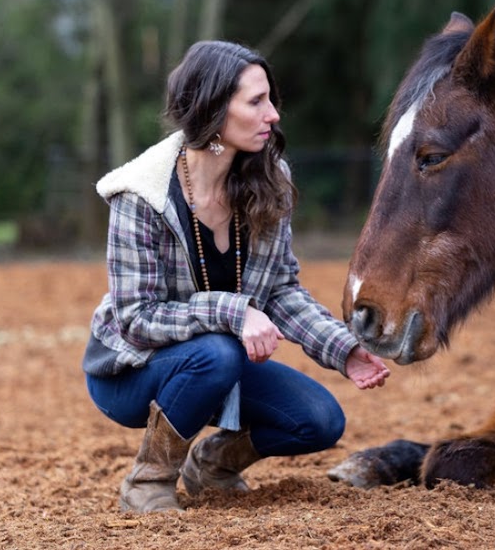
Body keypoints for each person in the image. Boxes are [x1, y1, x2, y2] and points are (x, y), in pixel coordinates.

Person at [82, 40, 390, 514]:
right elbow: (135, 319)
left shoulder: (270, 181)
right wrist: (234, 311)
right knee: (219, 351)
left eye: (270, 99)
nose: (273, 115)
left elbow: (282, 290)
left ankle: (210, 465)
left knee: (318, 420)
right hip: (132, 372)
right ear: (212, 109)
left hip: (215, 361)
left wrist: (343, 348)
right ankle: (148, 483)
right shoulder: (141, 194)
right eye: (255, 102)